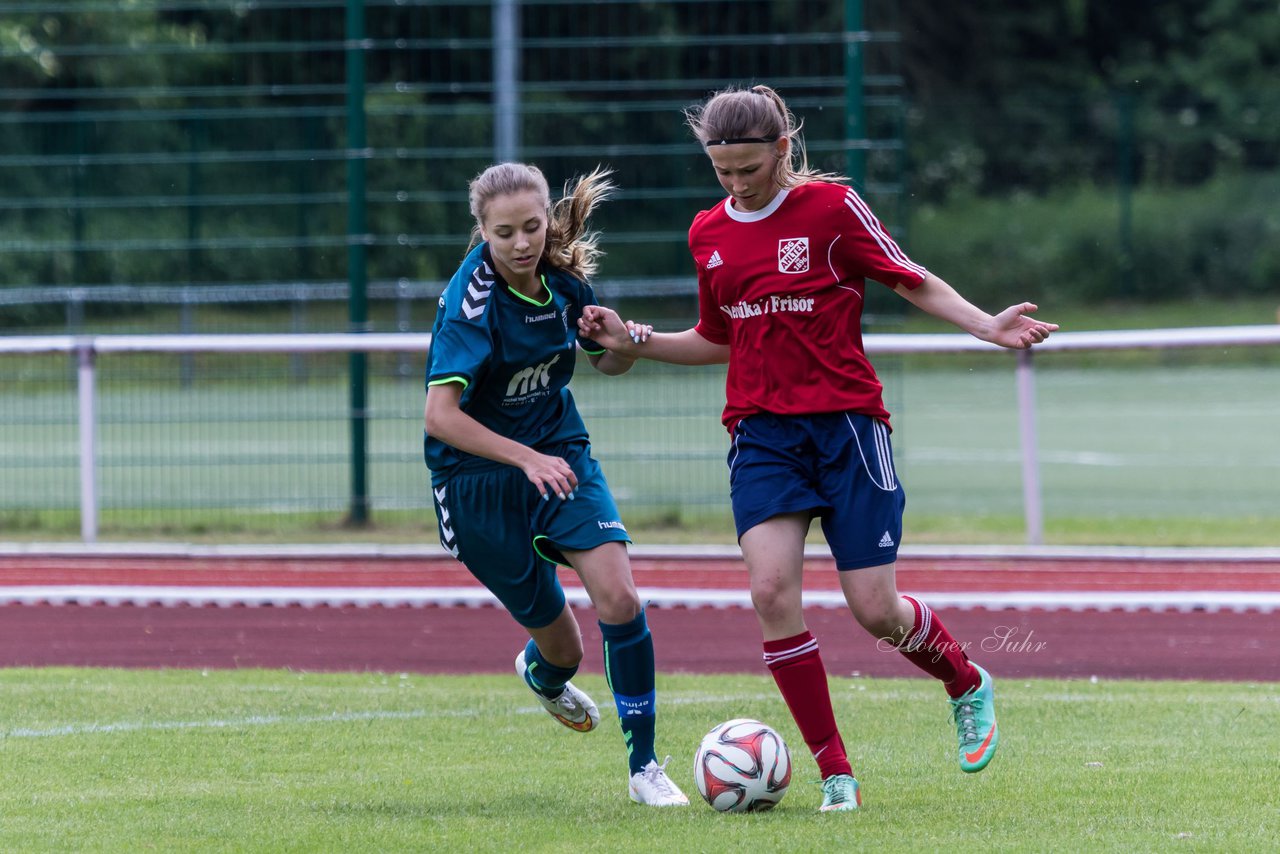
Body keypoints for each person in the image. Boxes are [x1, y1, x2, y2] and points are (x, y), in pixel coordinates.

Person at [578, 84, 1059, 812]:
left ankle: (965, 681)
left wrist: (984, 326)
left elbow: (910, 276)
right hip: (762, 432)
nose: (736, 183)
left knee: (875, 609)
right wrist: (635, 341)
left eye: (749, 168)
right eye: (722, 171)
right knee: (770, 592)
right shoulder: (707, 233)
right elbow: (717, 338)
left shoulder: (832, 210)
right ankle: (836, 772)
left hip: (847, 428)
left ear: (781, 148)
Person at [423, 162, 688, 807]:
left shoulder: (566, 285)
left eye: (532, 227)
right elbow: (440, 417)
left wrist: (621, 341)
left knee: (619, 600)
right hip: (476, 480)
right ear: (482, 231)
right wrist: (523, 460)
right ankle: (543, 673)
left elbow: (610, 364)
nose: (521, 243)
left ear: (548, 220)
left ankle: (645, 767)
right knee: (562, 651)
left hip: (561, 456)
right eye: (505, 232)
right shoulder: (471, 304)